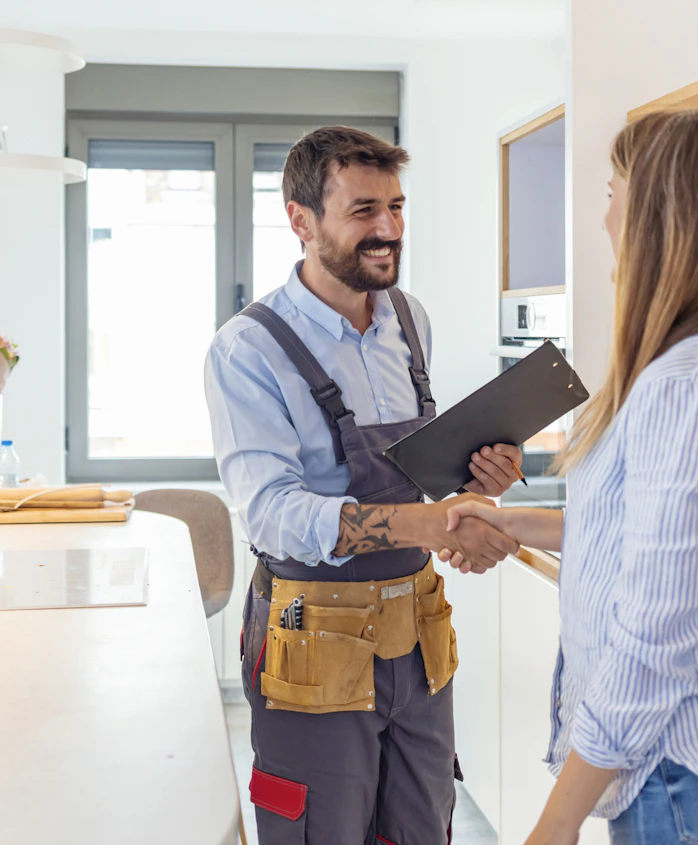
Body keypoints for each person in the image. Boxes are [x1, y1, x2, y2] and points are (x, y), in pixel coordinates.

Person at [439, 109, 698, 845]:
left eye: (613, 193)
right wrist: (517, 523)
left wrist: (558, 819)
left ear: (656, 218)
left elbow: (653, 634)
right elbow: (665, 545)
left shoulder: (683, 383)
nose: (604, 218)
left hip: (679, 771)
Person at [204, 126, 522, 845]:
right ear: (300, 220)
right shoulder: (247, 349)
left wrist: (476, 476)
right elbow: (274, 514)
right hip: (312, 645)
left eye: (397, 208)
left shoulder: (410, 322)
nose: (387, 230)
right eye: (363, 210)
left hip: (417, 639)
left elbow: (415, 473)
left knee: (421, 829)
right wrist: (429, 523)